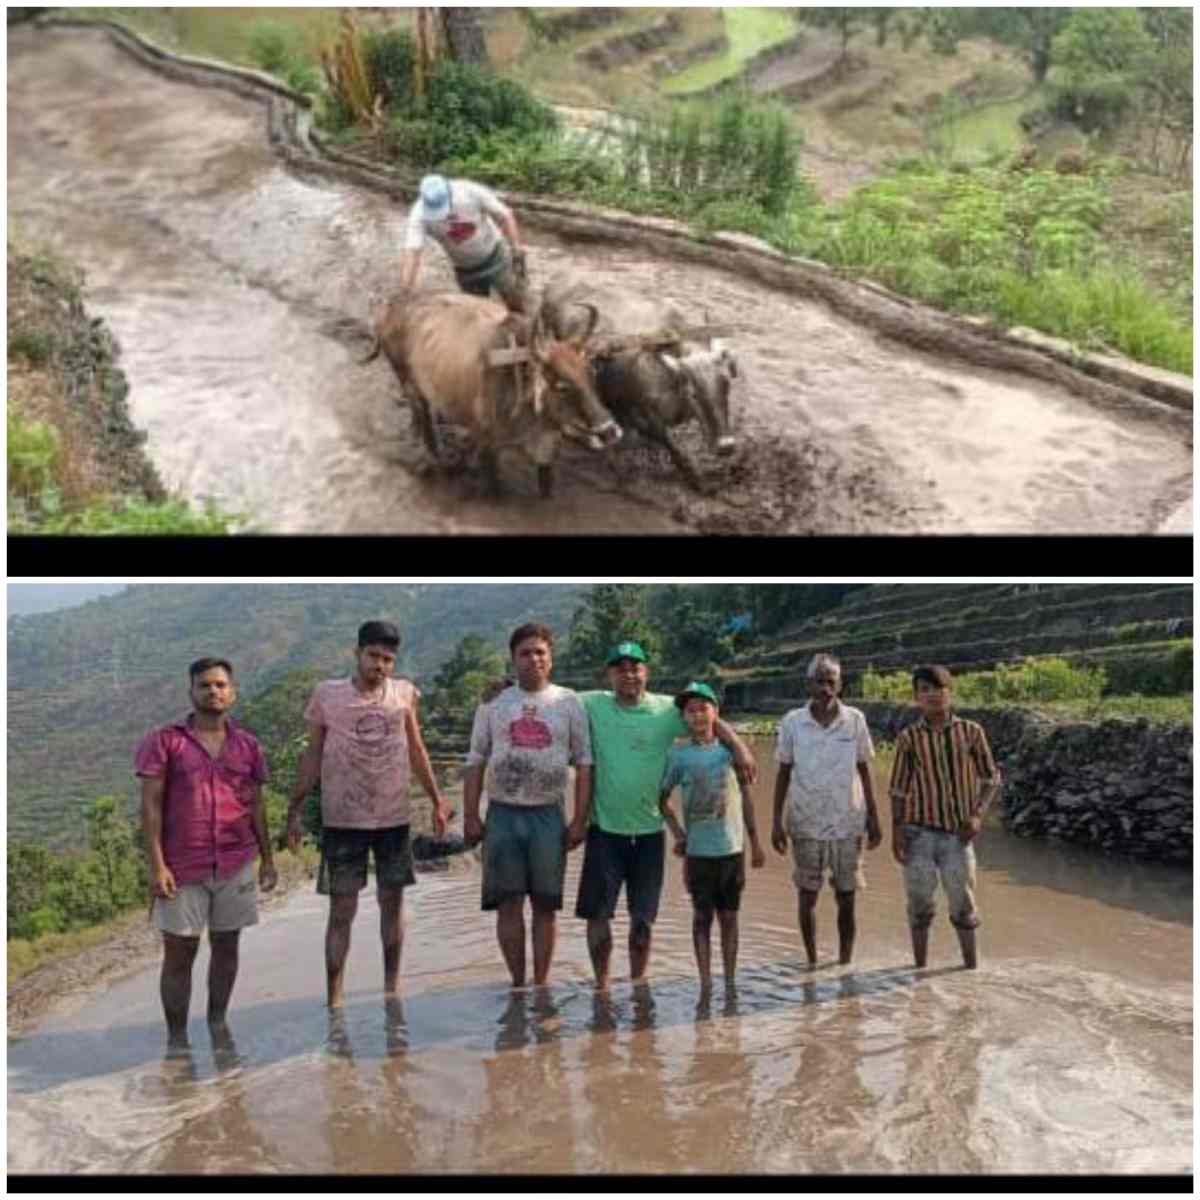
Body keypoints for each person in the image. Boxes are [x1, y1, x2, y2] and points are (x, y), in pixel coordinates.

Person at [572, 641, 758, 991]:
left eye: (635, 667)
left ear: (647, 672)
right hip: (604, 831)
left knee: (643, 922)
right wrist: (505, 690)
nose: (629, 673)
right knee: (598, 916)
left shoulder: (665, 711)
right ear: (610, 674)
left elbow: (709, 718)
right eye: (620, 667)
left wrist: (740, 747)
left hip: (648, 834)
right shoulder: (592, 703)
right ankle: (602, 989)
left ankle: (638, 985)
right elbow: (548, 698)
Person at [287, 620, 451, 1008]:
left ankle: (392, 987)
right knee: (342, 908)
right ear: (357, 653)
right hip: (343, 819)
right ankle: (335, 997)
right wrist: (293, 808)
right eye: (374, 656)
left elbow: (416, 749)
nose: (380, 665)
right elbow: (312, 754)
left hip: (392, 818)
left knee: (392, 903)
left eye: (388, 659)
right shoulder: (328, 695)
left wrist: (436, 799)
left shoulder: (405, 694)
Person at [136, 657, 276, 1048]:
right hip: (182, 864)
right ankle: (177, 1039)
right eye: (204, 685)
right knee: (180, 953)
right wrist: (157, 864)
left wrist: (267, 857)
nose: (213, 692)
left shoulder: (247, 745)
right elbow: (150, 805)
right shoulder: (166, 741)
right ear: (191, 692)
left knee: (227, 945)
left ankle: (217, 1024)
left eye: (220, 685)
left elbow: (256, 804)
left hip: (236, 860)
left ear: (232, 692)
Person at [463, 622, 592, 988]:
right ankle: (518, 984)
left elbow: (584, 762)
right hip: (502, 814)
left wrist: (580, 819)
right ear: (513, 659)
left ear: (551, 659)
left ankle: (542, 984)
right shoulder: (493, 703)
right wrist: (471, 815)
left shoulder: (569, 702)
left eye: (540, 652)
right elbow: (475, 759)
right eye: (525, 652)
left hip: (548, 815)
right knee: (508, 903)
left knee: (546, 906)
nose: (533, 658)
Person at [771, 653, 882, 968]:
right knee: (807, 897)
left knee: (847, 897)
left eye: (830, 681)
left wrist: (874, 816)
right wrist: (776, 823)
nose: (825, 687)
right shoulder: (793, 722)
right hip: (805, 823)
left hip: (848, 822)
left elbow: (864, 768)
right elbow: (782, 772)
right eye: (819, 681)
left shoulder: (855, 720)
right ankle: (811, 962)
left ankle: (845, 963)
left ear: (840, 684)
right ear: (808, 684)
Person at [888, 664, 1002, 970]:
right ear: (916, 698)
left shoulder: (971, 732)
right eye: (925, 690)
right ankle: (919, 973)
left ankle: (970, 972)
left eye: (938, 688)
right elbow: (897, 789)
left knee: (963, 906)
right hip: (917, 834)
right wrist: (897, 832)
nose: (933, 695)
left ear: (949, 693)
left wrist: (977, 815)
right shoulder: (909, 739)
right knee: (919, 908)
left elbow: (991, 778)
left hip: (957, 835)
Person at [659, 682, 765, 992]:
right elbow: (661, 799)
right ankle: (706, 982)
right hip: (699, 853)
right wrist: (678, 834)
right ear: (684, 718)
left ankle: (729, 980)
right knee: (701, 918)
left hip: (732, 850)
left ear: (715, 713)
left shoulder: (731, 753)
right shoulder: (679, 756)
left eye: (703, 708)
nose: (697, 716)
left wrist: (755, 843)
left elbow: (746, 797)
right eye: (690, 711)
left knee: (730, 917)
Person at [400, 173, 529, 313]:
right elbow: (412, 252)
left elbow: (505, 215)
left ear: (449, 193)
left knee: (516, 301)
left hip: (495, 256)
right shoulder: (419, 215)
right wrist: (406, 288)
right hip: (465, 269)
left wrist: (516, 248)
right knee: (477, 314)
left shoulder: (469, 191)